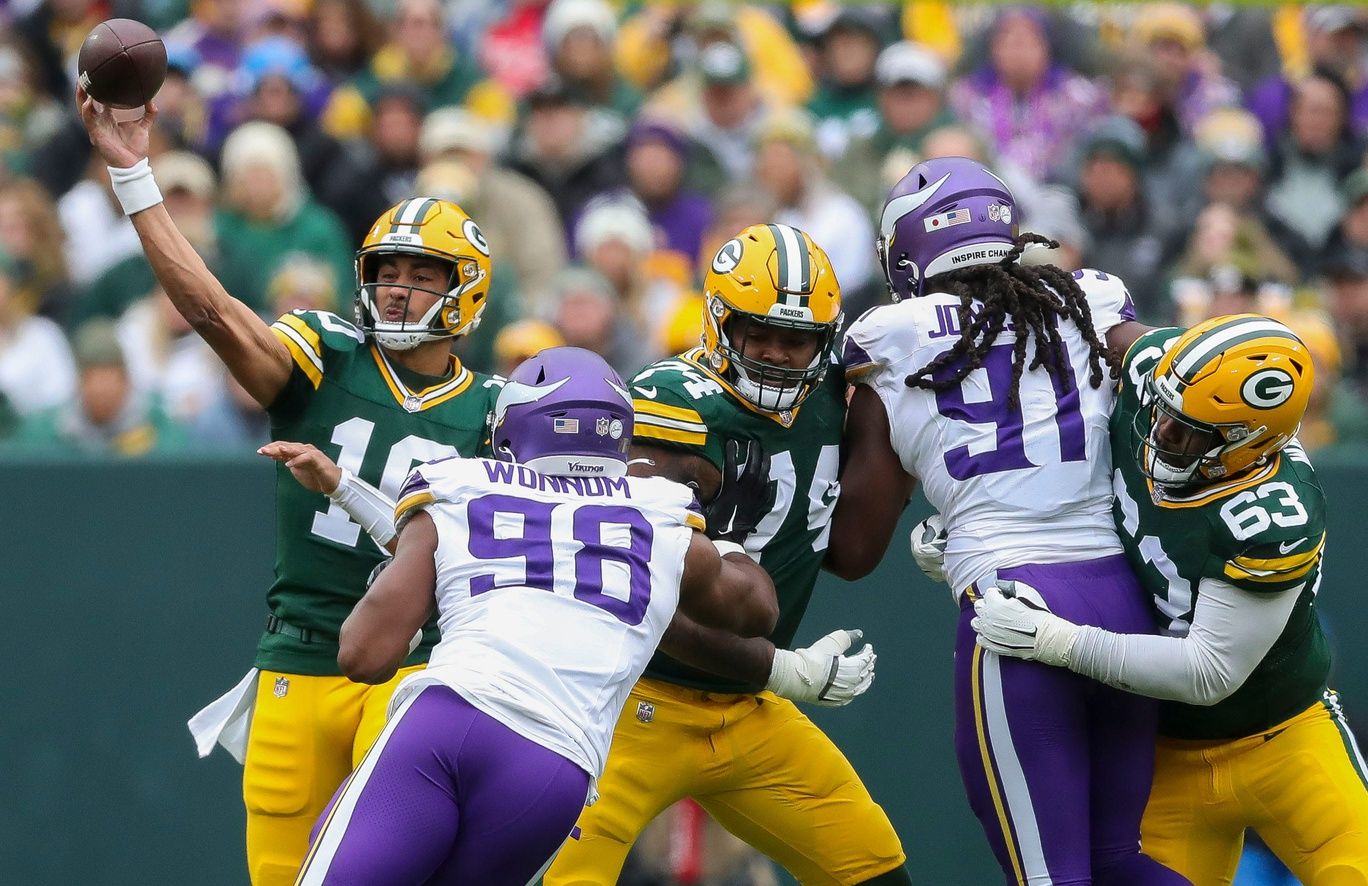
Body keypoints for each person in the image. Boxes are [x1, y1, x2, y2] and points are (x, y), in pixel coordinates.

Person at [76, 89, 503, 885]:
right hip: (298, 657)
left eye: (422, 274)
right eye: (388, 271)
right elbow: (214, 314)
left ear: (467, 290)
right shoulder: (326, 352)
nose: (401, 289)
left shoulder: (495, 411)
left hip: (421, 670)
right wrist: (135, 178)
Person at [826, 157, 1188, 885]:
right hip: (1125, 603)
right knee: (1120, 861)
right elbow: (1172, 370)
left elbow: (855, 548)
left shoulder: (888, 336)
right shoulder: (1088, 297)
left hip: (1015, 608)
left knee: (1048, 876)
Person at [294, 347, 780, 884]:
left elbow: (363, 655)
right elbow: (757, 610)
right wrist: (729, 537)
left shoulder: (460, 484)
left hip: (450, 722)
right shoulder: (662, 512)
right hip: (556, 769)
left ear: (511, 429)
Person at [546, 223, 912, 886]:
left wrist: (891, 419)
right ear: (719, 325)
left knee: (875, 868)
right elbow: (636, 594)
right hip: (630, 701)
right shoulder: (671, 406)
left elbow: (852, 553)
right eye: (759, 334)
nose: (776, 355)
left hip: (746, 712)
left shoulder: (833, 400)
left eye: (795, 340)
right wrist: (781, 670)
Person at [972, 313, 1368, 884]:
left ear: (1245, 444)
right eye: (1163, 410)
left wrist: (1060, 641)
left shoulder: (1273, 514)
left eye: (1187, 431)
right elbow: (1095, 344)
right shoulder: (1156, 371)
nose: (1158, 432)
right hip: (1166, 752)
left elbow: (1207, 673)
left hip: (1285, 741)